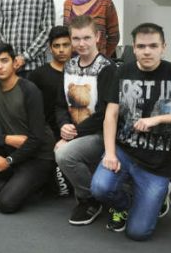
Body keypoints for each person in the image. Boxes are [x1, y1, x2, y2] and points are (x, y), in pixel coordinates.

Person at [91, 23, 171, 240]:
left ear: (163, 47)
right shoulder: (122, 71)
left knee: (138, 233)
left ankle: (161, 196)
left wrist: (159, 118)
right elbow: (111, 115)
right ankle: (123, 205)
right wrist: (109, 153)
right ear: (134, 48)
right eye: (141, 46)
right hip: (124, 152)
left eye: (153, 46)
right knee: (99, 187)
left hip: (157, 162)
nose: (147, 51)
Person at [0, 43, 55, 213]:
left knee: (5, 204)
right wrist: (6, 139)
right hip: (12, 148)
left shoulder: (29, 90)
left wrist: (8, 161)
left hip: (39, 156)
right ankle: (16, 179)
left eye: (4, 61)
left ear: (14, 63)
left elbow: (37, 139)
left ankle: (36, 184)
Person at [54, 15, 116, 225]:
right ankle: (91, 196)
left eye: (87, 38)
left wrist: (74, 134)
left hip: (100, 134)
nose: (81, 44)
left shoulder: (107, 68)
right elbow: (60, 104)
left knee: (64, 154)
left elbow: (105, 113)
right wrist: (64, 125)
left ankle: (89, 199)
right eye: (76, 38)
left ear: (97, 37)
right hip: (76, 130)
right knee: (60, 150)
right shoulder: (69, 66)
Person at [28, 25, 71, 139]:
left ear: (72, 46)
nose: (61, 50)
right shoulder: (38, 75)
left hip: (73, 132)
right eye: (56, 46)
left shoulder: (80, 73)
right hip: (46, 135)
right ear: (50, 48)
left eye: (65, 45)